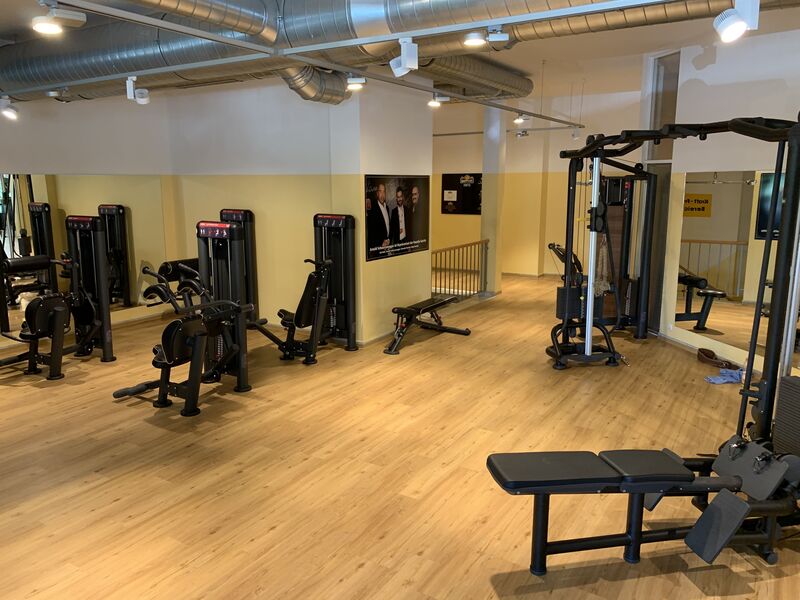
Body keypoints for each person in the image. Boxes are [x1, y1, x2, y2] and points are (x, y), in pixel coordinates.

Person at [367, 182, 391, 252]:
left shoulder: (387, 207)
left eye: (384, 192)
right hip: (378, 247)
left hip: (387, 245)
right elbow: (371, 231)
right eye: (380, 191)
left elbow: (388, 226)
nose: (382, 195)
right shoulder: (372, 209)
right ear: (377, 193)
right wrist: (381, 243)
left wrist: (388, 239)